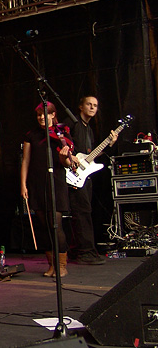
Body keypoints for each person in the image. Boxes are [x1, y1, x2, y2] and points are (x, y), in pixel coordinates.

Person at [20, 102, 77, 277]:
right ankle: (51, 264)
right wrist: (23, 184)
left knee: (56, 224)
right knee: (44, 227)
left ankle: (61, 265)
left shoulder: (62, 133)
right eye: (39, 115)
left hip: (55, 182)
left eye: (45, 114)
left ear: (53, 115)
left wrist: (64, 158)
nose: (41, 118)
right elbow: (26, 161)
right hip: (37, 183)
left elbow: (67, 163)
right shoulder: (31, 135)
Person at [63, 96, 117, 265]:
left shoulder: (89, 130)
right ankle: (84, 252)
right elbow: (61, 141)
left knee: (84, 212)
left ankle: (79, 250)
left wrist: (109, 143)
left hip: (84, 175)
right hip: (72, 172)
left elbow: (90, 156)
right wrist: (71, 157)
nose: (93, 107)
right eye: (89, 104)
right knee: (81, 212)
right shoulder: (72, 123)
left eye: (95, 105)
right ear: (81, 106)